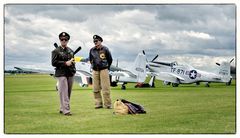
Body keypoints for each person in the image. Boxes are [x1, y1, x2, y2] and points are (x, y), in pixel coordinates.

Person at [51, 32, 76, 116]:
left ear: (68, 40)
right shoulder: (55, 51)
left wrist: (72, 64)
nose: (63, 40)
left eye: (65, 39)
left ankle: (62, 108)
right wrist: (65, 63)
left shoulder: (71, 51)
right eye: (62, 39)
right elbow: (53, 62)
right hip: (61, 73)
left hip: (70, 73)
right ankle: (66, 110)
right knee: (63, 92)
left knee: (68, 92)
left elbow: (73, 62)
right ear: (60, 40)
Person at [89, 35, 113, 109]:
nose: (95, 42)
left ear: (100, 41)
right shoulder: (91, 50)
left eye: (97, 41)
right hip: (95, 70)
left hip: (104, 69)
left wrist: (106, 67)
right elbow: (90, 60)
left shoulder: (105, 49)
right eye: (94, 41)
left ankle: (108, 104)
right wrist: (93, 66)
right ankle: (98, 104)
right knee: (95, 88)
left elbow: (110, 59)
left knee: (105, 88)